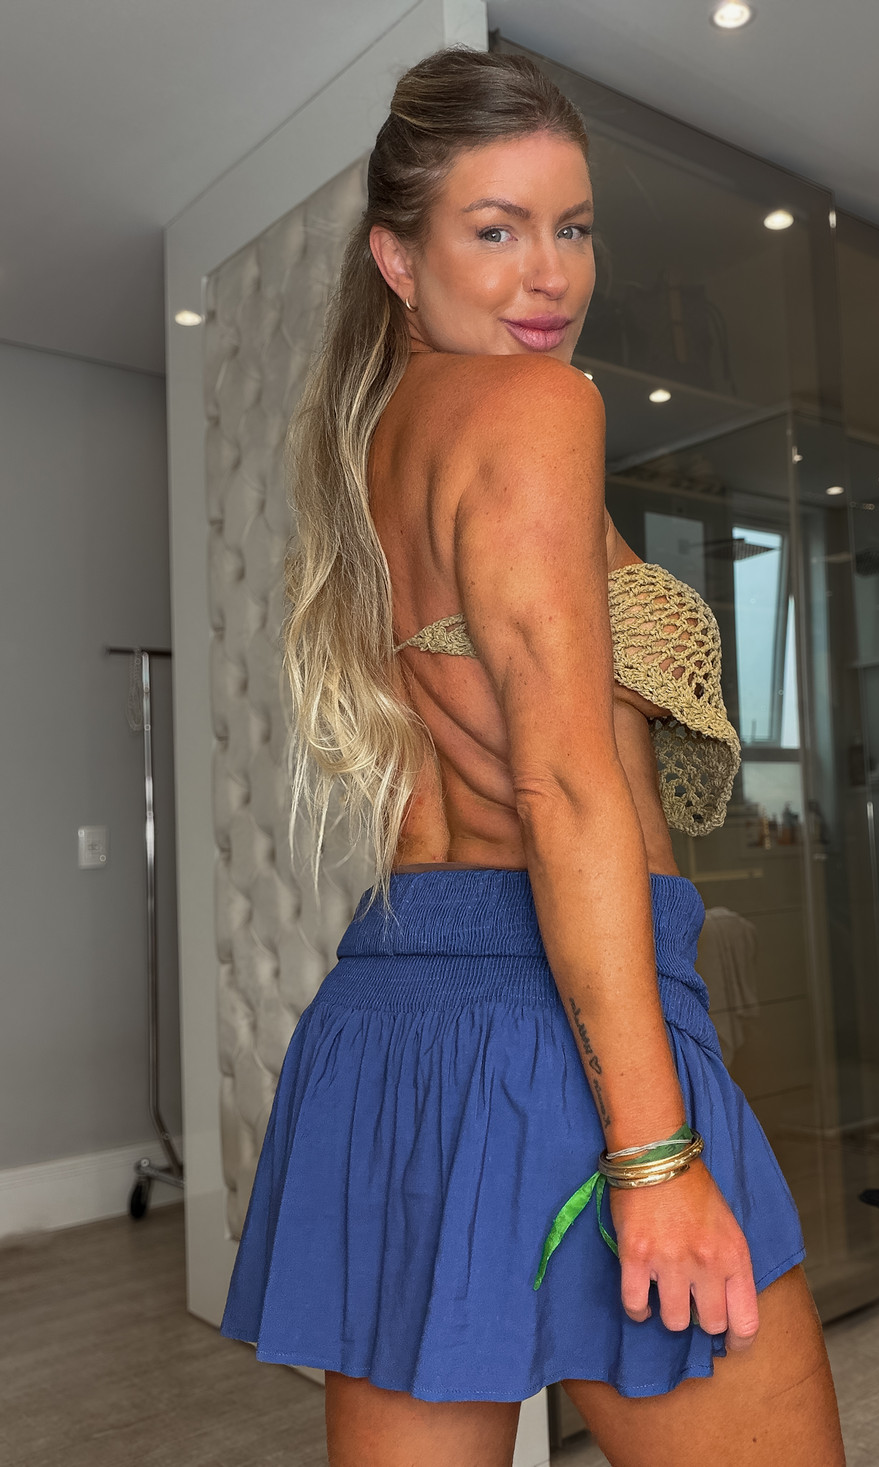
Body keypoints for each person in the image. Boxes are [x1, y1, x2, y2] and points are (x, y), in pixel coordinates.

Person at [219, 44, 845, 1467]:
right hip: (564, 1029)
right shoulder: (539, 412)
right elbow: (563, 787)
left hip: (391, 1030)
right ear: (398, 257)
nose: (549, 275)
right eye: (494, 232)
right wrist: (656, 1155)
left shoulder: (376, 450)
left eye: (573, 228)